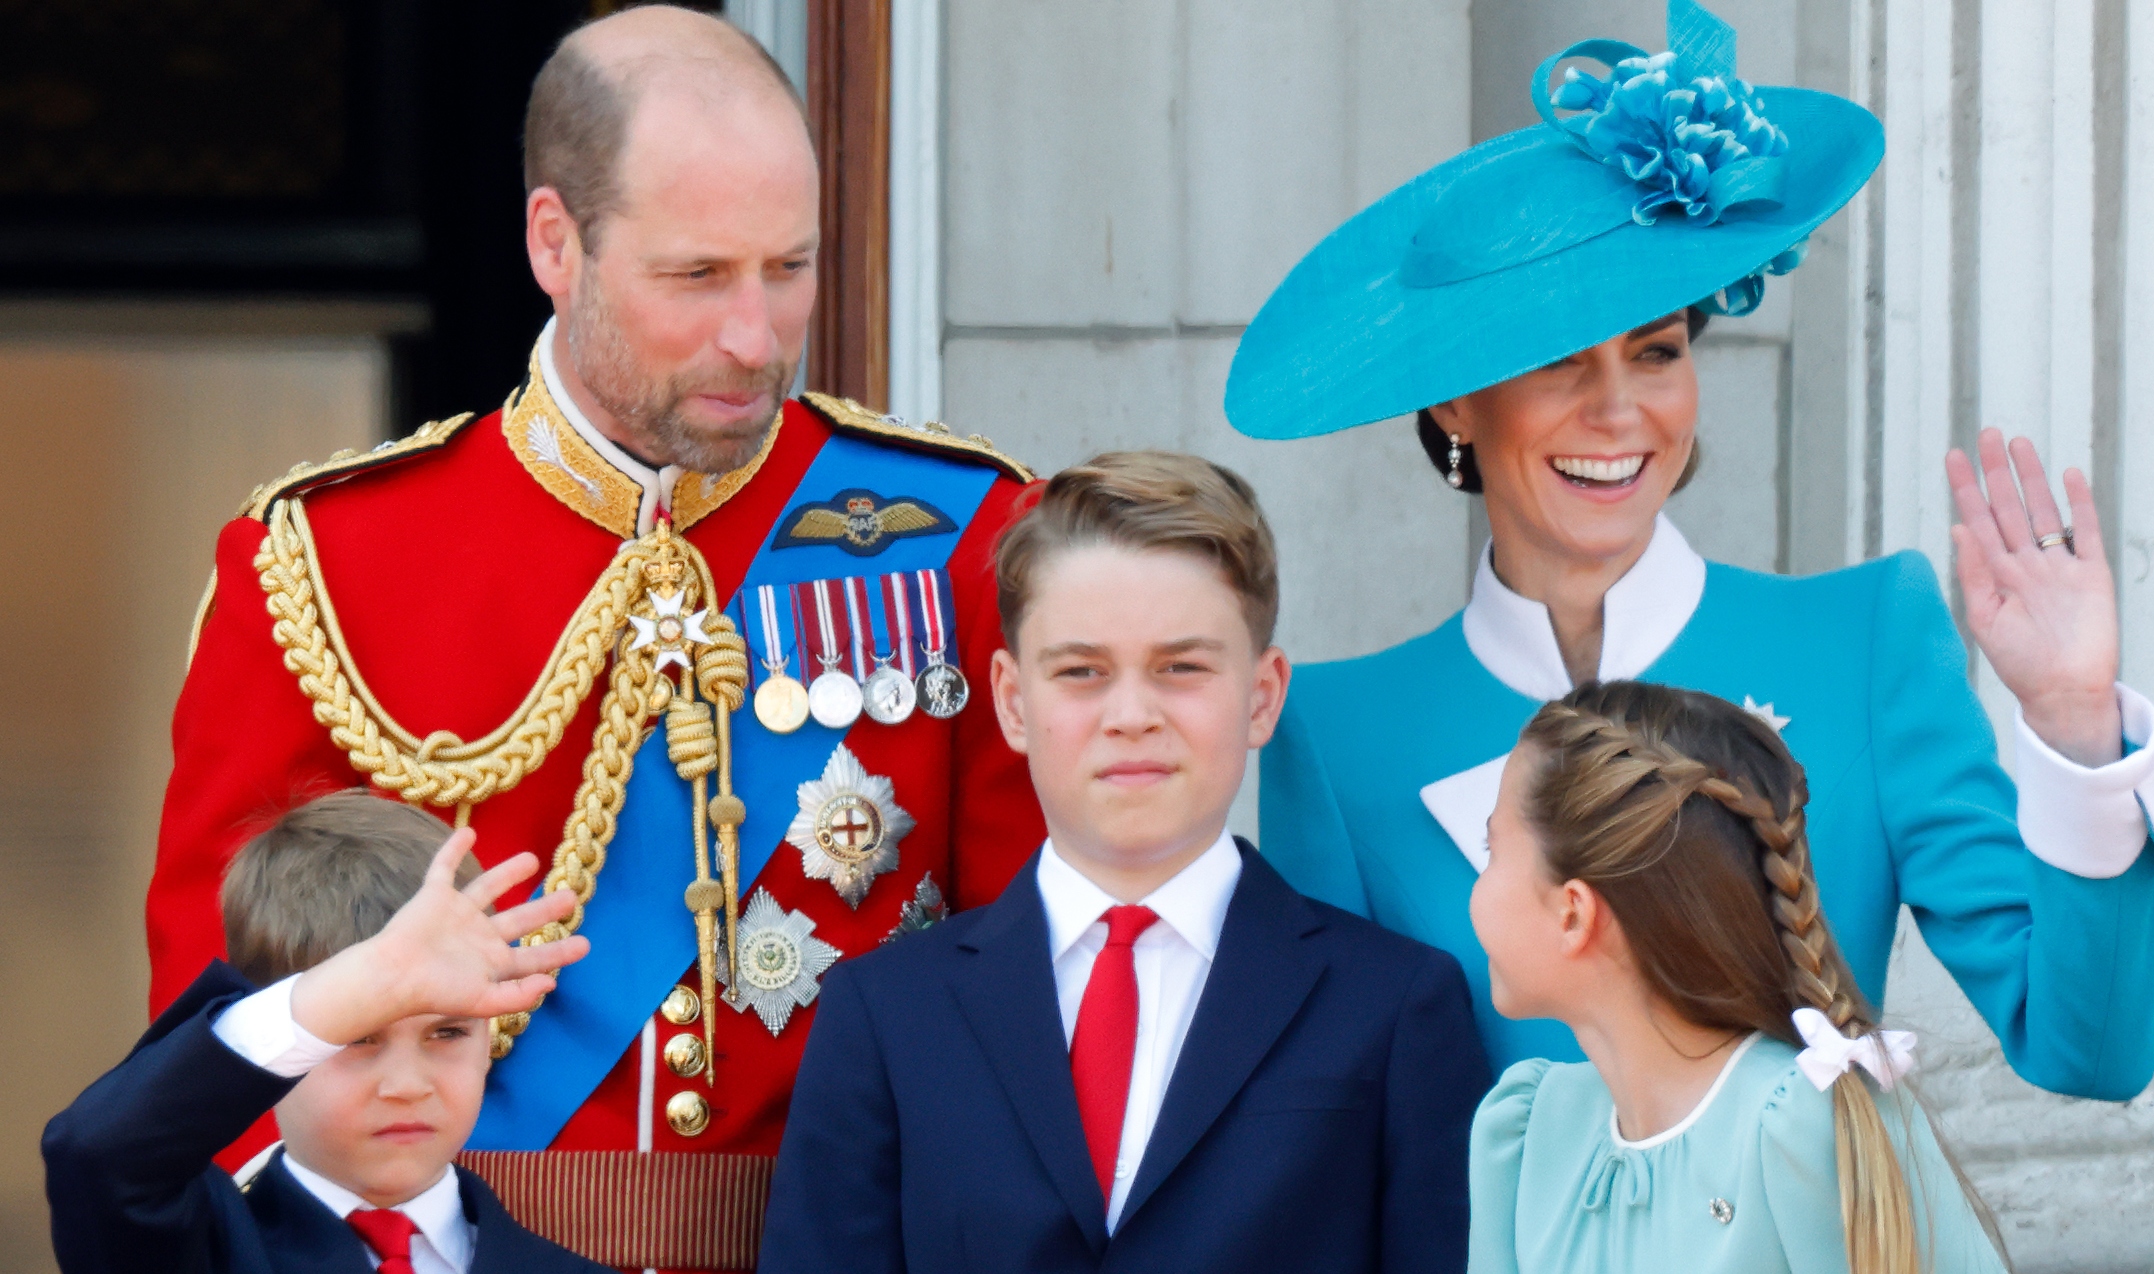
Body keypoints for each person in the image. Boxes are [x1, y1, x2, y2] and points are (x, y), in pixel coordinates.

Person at [145, 7, 1044, 1266]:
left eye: (788, 268)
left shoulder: (958, 535)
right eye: (697, 276)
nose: (756, 336)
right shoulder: (321, 561)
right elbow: (211, 1042)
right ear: (554, 243)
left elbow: (1036, 998)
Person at [1226, 0, 2154, 1096]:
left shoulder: (1862, 640)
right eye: (1556, 363)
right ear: (1453, 405)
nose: (1618, 410)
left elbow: (2088, 1054)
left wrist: (2070, 724)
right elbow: (1332, 1130)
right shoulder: (1338, 739)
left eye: (1655, 350)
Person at [759, 453, 1492, 1274]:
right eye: (1082, 672)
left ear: (1261, 696)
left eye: (1182, 668)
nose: (1132, 715)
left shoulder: (1393, 1008)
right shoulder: (887, 1015)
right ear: (1011, 701)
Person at [1466, 682, 2006, 1274]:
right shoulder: (1527, 1133)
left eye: (1490, 848)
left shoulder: (1806, 1126)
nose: (1479, 881)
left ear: (1573, 912)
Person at [45, 790, 603, 1274]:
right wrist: (362, 983)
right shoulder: (200, 1250)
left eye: (449, 1032)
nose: (407, 1085)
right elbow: (97, 1155)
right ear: (287, 1046)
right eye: (358, 1035)